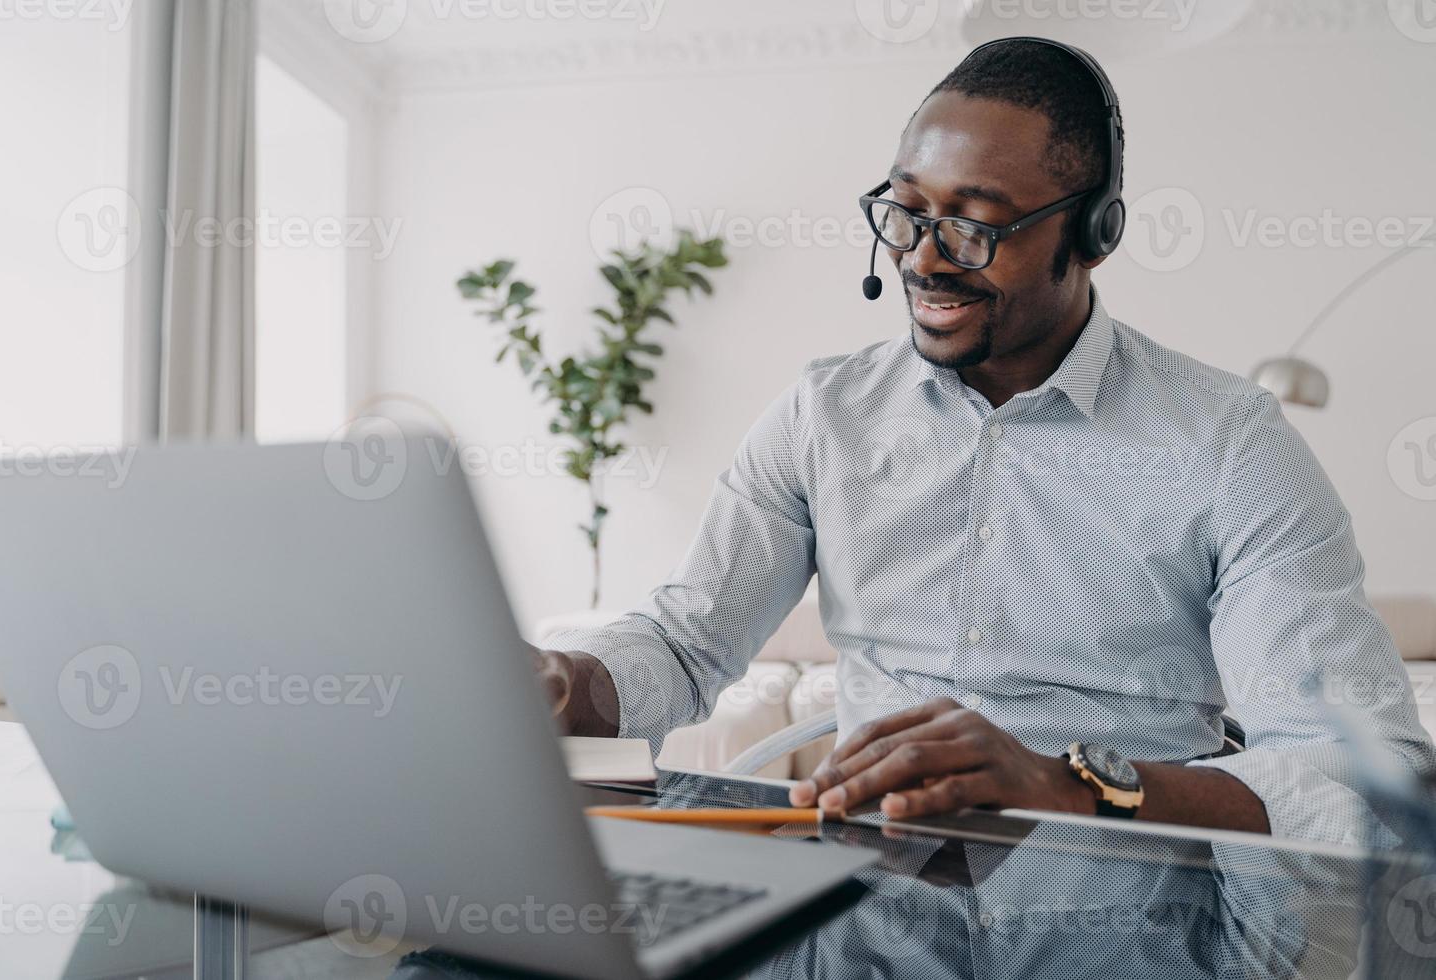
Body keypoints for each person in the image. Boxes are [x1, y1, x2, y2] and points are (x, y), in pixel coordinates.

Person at [534, 38, 1434, 841]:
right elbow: (687, 643)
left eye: (972, 223)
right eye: (907, 210)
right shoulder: (822, 414)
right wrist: (574, 683)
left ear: (1093, 234)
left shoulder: (1230, 446)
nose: (923, 257)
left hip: (1134, 907)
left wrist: (1065, 785)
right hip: (868, 891)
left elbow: (1370, 780)